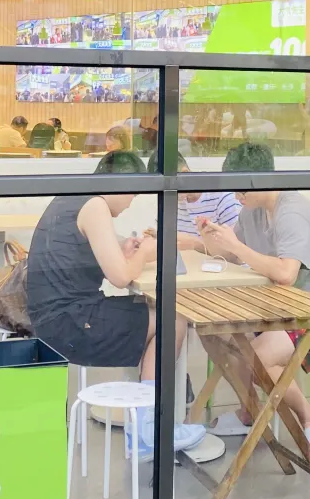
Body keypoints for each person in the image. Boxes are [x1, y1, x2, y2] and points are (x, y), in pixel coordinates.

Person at [25, 150, 206, 458]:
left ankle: (145, 422)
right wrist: (144, 254)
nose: (131, 202)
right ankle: (150, 429)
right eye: (133, 194)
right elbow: (120, 277)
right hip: (72, 324)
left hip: (52, 320)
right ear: (122, 184)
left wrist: (124, 248)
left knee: (149, 313)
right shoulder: (95, 205)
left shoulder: (71, 196)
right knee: (172, 320)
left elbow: (89, 253)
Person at [199, 142, 310, 462]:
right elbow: (231, 253)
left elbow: (285, 273)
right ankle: (249, 410)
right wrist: (212, 238)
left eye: (241, 188)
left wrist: (235, 246)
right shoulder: (251, 211)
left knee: (258, 357)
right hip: (276, 308)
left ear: (261, 179)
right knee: (214, 334)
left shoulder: (292, 212)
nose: (237, 195)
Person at [173, 153, 241, 251]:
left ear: (184, 173)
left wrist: (196, 245)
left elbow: (237, 253)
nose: (164, 192)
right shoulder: (173, 201)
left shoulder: (223, 197)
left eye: (168, 184)